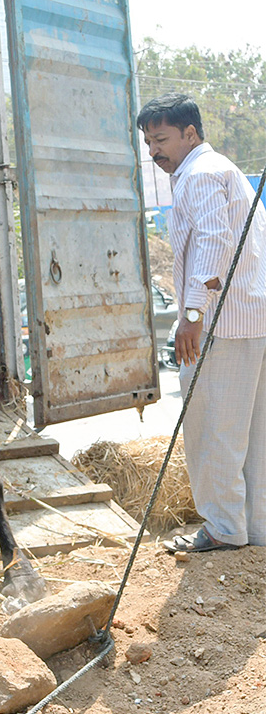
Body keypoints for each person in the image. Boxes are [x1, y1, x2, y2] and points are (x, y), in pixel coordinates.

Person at [138, 93, 266, 553]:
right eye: (149, 142)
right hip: (251, 319)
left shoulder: (199, 173)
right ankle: (252, 530)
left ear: (190, 134)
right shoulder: (224, 170)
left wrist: (191, 315)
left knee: (213, 429)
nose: (154, 151)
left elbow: (214, 243)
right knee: (252, 435)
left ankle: (223, 529)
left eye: (161, 139)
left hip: (221, 324)